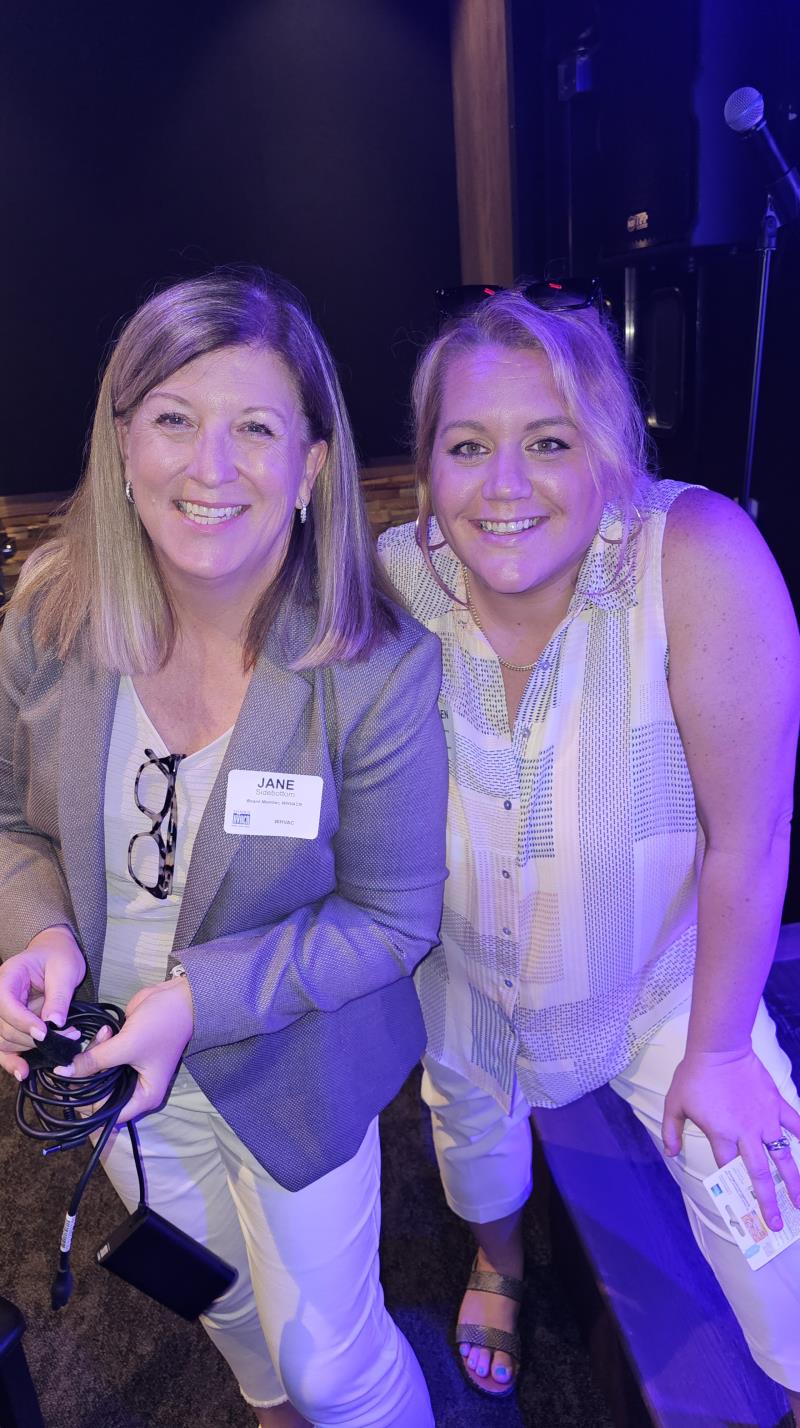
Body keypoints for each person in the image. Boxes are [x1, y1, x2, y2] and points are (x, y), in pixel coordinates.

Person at [0, 270, 448, 1428]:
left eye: (254, 427)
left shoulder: (375, 669)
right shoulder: (47, 617)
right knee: (220, 1292)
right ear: (121, 443)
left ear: (309, 466)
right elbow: (8, 823)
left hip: (295, 1063)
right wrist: (38, 933)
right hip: (114, 1067)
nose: (210, 466)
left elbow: (393, 919)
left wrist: (199, 999)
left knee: (337, 1365)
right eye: (173, 418)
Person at [379, 284, 800, 1416]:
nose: (504, 486)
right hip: (463, 978)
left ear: (610, 450)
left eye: (549, 441)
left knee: (768, 1212)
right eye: (468, 446)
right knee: (474, 1138)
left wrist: (720, 1048)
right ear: (427, 468)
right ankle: (499, 1262)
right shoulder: (392, 581)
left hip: (666, 982)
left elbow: (749, 837)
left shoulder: (695, 555)